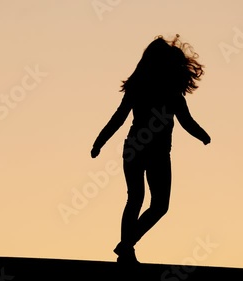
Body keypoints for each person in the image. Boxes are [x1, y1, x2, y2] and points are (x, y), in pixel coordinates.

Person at [90, 34, 211, 265]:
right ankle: (126, 247)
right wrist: (99, 142)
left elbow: (185, 121)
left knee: (143, 201)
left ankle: (126, 245)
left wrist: (202, 135)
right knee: (149, 202)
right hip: (150, 152)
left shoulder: (152, 88)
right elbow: (185, 121)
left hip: (140, 149)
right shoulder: (163, 91)